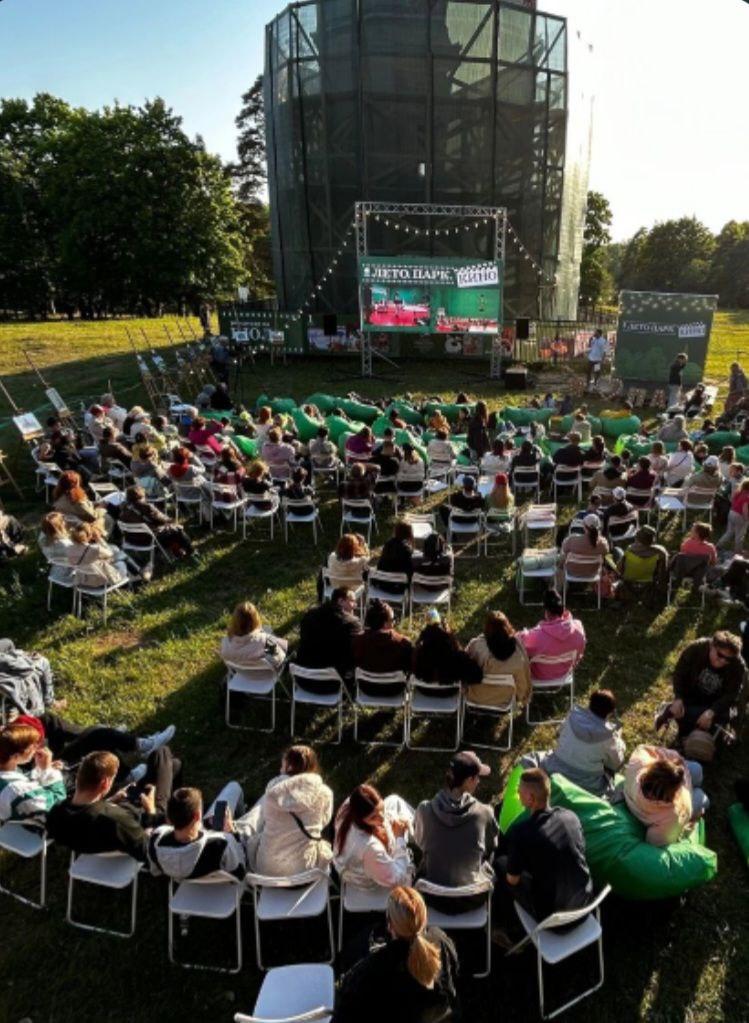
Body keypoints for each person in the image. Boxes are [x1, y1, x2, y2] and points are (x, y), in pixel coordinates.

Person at [332, 886, 460, 1023]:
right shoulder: (442, 944)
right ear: (424, 919)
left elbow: (345, 1013)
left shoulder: (373, 968)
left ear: (390, 926)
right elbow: (453, 978)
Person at [493, 768, 592, 935]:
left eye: (519, 792)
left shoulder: (522, 832)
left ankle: (505, 927)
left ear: (530, 799)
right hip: (585, 906)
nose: (517, 793)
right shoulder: (571, 817)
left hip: (554, 920)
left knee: (501, 863)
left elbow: (513, 880)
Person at [47, 746, 182, 861]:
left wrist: (110, 802)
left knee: (170, 765)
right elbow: (147, 850)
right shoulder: (115, 821)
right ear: (105, 783)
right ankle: (179, 806)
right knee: (163, 753)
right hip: (147, 817)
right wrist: (151, 812)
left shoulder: (57, 811)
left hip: (122, 809)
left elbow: (86, 813)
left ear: (78, 778)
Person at [414, 751, 498, 911]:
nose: (479, 781)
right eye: (476, 777)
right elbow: (490, 848)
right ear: (468, 781)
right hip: (471, 899)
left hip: (431, 897)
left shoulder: (424, 810)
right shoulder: (485, 813)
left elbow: (419, 843)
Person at [249, 745, 334, 876]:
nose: (280, 769)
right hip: (305, 871)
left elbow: (266, 819)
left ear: (288, 767)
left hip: (267, 870)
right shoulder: (325, 793)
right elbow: (323, 822)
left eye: (282, 765)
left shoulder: (272, 792)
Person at [656, 631, 746, 749]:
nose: (723, 661)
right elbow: (679, 674)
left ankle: (682, 727)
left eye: (727, 659)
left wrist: (711, 712)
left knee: (715, 719)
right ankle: (684, 730)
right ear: (711, 646)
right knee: (681, 711)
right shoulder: (695, 649)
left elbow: (732, 694)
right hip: (692, 695)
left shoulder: (737, 665)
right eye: (719, 655)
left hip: (716, 704)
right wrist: (678, 698)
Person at [147, 782, 252, 881]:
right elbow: (241, 871)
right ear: (197, 816)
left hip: (188, 881)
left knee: (233, 787)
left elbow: (155, 871)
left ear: (169, 817)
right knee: (235, 787)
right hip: (225, 882)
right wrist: (232, 833)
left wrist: (205, 825)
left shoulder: (155, 840)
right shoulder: (221, 844)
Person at [540, 689, 626, 796]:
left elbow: (559, 733)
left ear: (589, 703)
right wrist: (619, 742)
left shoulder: (572, 716)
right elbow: (616, 763)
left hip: (555, 770)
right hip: (587, 785)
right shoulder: (609, 736)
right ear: (609, 713)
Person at [334, 783, 414, 890]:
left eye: (382, 808)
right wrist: (399, 838)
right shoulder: (368, 846)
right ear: (361, 819)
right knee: (406, 870)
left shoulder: (349, 804)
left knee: (395, 800)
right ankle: (418, 832)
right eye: (373, 817)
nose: (382, 818)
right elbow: (398, 879)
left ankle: (416, 829)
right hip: (371, 881)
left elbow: (381, 816)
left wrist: (390, 821)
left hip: (363, 864)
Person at [623, 745, 707, 846]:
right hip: (687, 796)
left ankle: (695, 784)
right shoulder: (672, 815)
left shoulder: (638, 763)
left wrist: (677, 762)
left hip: (679, 784)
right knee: (702, 796)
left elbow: (644, 748)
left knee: (697, 770)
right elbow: (655, 842)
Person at [0, 721, 67, 823]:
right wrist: (49, 771)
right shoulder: (16, 789)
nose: (36, 748)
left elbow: (20, 781)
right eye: (31, 746)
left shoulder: (8, 775)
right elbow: (57, 804)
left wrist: (41, 770)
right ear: (15, 756)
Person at [517, 589, 586, 682]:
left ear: (547, 611)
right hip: (565, 672)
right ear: (563, 609)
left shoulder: (537, 636)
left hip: (539, 675)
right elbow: (580, 652)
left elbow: (518, 642)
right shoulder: (578, 628)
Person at [465, 610, 532, 706]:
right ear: (507, 627)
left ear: (487, 627)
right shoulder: (518, 654)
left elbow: (464, 672)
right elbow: (522, 685)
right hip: (505, 700)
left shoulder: (476, 646)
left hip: (476, 697)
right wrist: (520, 697)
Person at [296, 587, 362, 679]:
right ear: (341, 601)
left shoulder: (310, 615)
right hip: (332, 684)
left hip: (303, 678)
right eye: (352, 601)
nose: (355, 605)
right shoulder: (352, 623)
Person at [119, 485, 193, 559]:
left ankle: (174, 552)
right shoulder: (146, 507)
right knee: (177, 530)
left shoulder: (123, 511)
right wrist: (172, 521)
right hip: (150, 539)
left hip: (134, 541)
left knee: (169, 529)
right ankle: (191, 552)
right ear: (140, 494)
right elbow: (163, 520)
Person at [219, 600, 288, 672]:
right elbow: (279, 659)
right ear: (255, 619)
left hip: (242, 674)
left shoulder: (225, 643)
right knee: (267, 629)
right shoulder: (264, 641)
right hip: (265, 675)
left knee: (266, 629)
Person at [413, 620, 482, 688]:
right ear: (448, 638)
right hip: (449, 695)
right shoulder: (457, 657)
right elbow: (477, 676)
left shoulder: (418, 656)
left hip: (423, 693)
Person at [352, 600, 413, 674]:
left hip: (365, 685)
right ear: (385, 624)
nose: (394, 622)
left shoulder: (358, 641)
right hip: (393, 685)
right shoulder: (403, 644)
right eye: (392, 620)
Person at [67, 521, 130, 588]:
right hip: (102, 582)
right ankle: (128, 585)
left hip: (83, 581)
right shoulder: (95, 549)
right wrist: (98, 539)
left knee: (114, 551)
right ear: (89, 535)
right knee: (122, 557)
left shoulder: (70, 549)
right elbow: (111, 553)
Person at [557, 513, 609, 588]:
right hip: (593, 573)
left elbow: (563, 552)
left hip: (572, 572)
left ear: (584, 526)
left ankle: (560, 588)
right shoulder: (603, 543)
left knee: (558, 559)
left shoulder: (572, 540)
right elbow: (606, 552)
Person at [718, 478, 749, 551]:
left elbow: (732, 501)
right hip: (740, 516)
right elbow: (745, 508)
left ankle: (719, 545)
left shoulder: (738, 493)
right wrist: (746, 519)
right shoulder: (747, 496)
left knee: (729, 532)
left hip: (731, 512)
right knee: (740, 535)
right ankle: (738, 550)